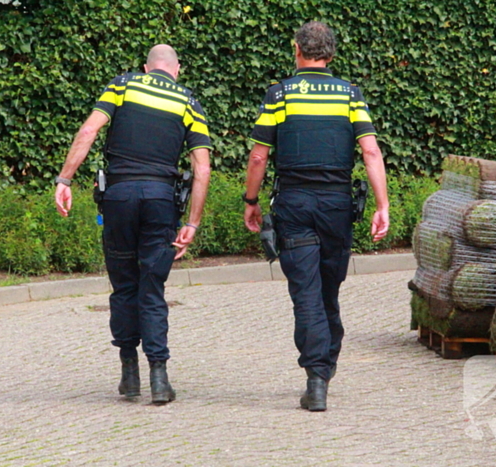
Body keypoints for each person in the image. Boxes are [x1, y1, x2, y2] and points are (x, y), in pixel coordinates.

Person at [242, 21, 390, 412]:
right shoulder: (349, 94)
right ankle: (325, 366)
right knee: (327, 290)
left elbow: (258, 156)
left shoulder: (280, 94)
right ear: (331, 53)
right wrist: (382, 206)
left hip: (294, 205)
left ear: (297, 50)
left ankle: (316, 377)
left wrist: (251, 199)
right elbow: (371, 152)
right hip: (337, 206)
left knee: (306, 293)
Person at [54, 44, 211, 405]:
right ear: (177, 70)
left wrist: (65, 179)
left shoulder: (123, 85)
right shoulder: (188, 101)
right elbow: (202, 168)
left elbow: (88, 131)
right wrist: (193, 222)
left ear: (146, 67)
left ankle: (129, 374)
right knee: (152, 288)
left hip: (119, 197)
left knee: (124, 285)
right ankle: (159, 377)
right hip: (160, 200)